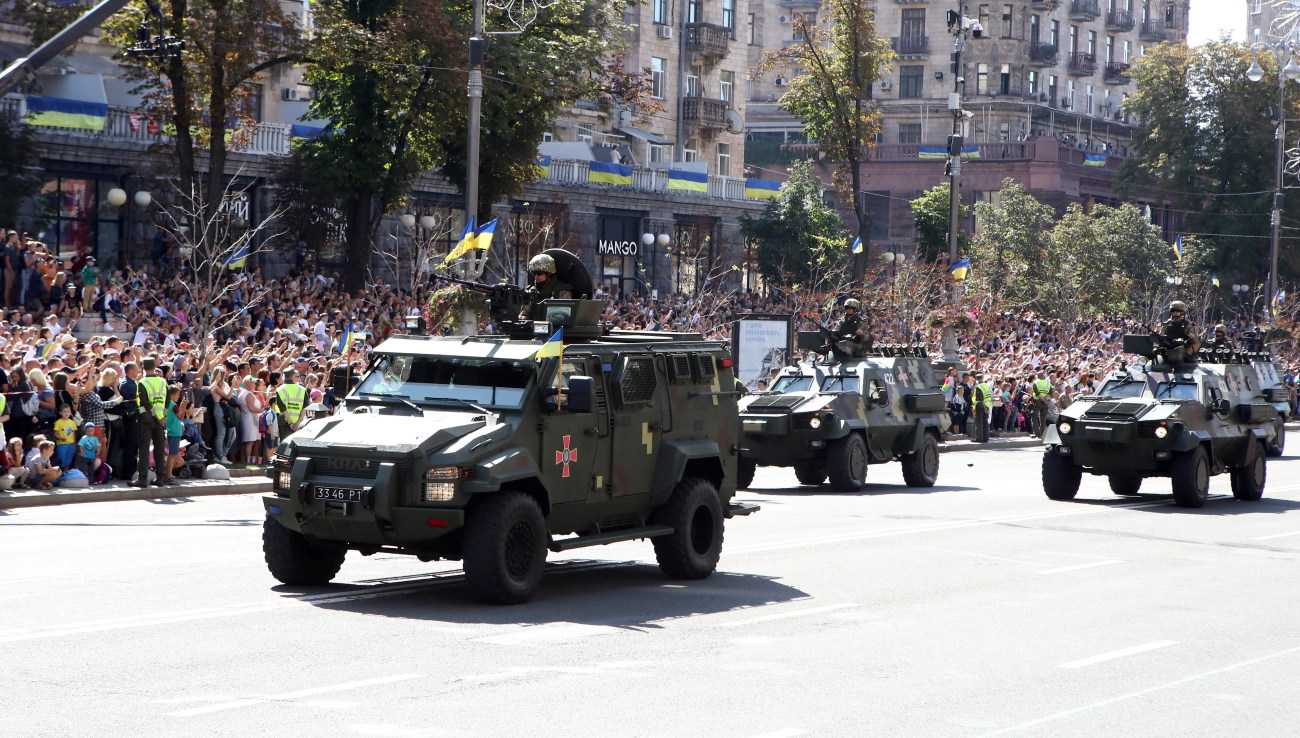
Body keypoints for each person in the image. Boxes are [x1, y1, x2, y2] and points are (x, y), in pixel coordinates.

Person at [134, 356, 173, 487]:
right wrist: (163, 416)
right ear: (155, 366)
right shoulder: (163, 382)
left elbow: (144, 401)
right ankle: (160, 478)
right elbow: (168, 399)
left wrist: (156, 415)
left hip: (147, 418)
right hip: (161, 419)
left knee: (144, 448)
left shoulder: (142, 382)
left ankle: (142, 479)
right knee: (160, 449)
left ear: (143, 368)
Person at [272, 367, 307, 441]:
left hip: (284, 422)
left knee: (285, 446)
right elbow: (306, 406)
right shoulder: (302, 389)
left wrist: (290, 423)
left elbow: (282, 407)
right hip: (299, 423)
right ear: (292, 376)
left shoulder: (280, 389)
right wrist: (299, 422)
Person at [52, 403, 77, 470]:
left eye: (68, 411)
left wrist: (74, 444)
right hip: (62, 445)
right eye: (64, 411)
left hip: (70, 445)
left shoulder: (72, 422)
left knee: (68, 461)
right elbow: (55, 434)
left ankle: (66, 474)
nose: (66, 413)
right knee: (61, 460)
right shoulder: (58, 422)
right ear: (60, 413)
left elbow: (74, 434)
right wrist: (61, 438)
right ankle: (59, 474)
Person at [1030, 372, 1052, 438]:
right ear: (1043, 376)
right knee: (1043, 418)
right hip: (1045, 402)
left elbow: (1036, 392)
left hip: (1037, 401)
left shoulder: (1036, 382)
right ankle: (1042, 433)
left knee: (1034, 416)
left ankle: (1037, 433)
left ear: (1037, 376)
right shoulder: (1048, 383)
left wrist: (1041, 398)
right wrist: (1045, 398)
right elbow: (1050, 392)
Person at [972, 373, 992, 443]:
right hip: (987, 405)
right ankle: (986, 438)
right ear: (983, 378)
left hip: (980, 406)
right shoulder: (987, 386)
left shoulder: (979, 387)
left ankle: (979, 438)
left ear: (977, 379)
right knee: (985, 422)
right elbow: (989, 396)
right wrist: (987, 407)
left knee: (979, 422)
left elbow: (980, 398)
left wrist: (984, 407)